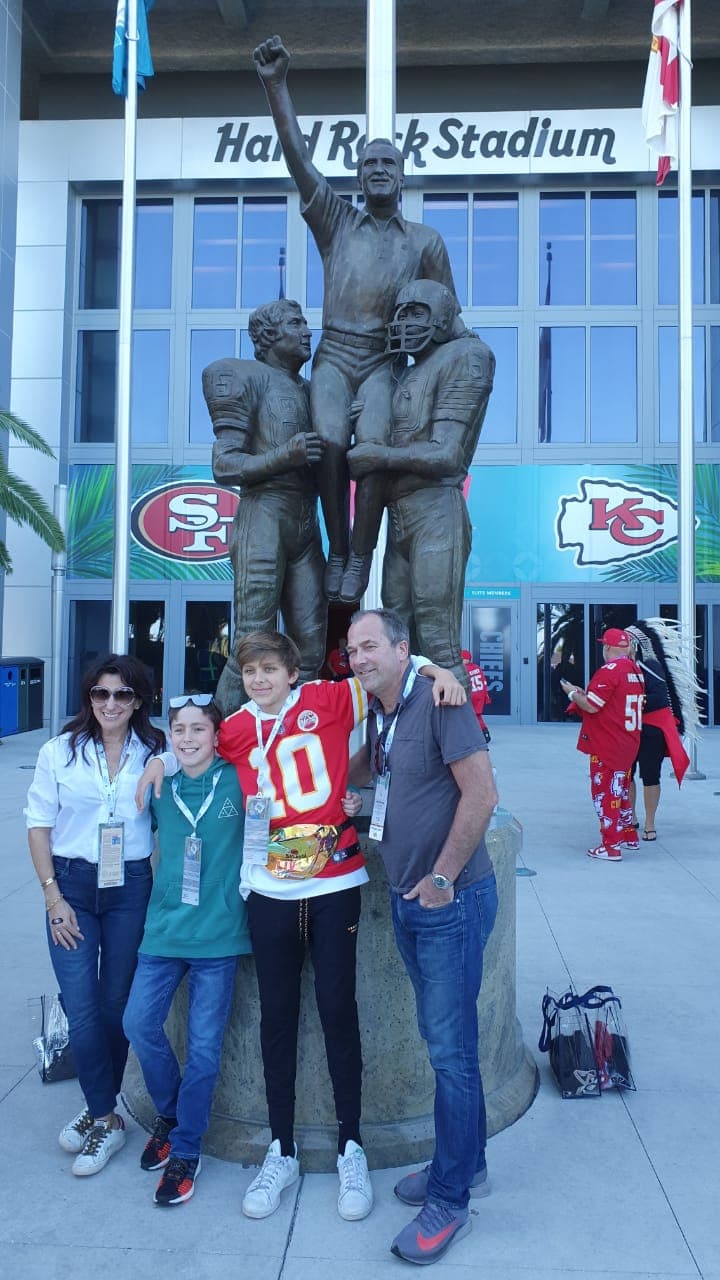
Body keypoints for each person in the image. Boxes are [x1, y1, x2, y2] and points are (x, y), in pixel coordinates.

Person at [136, 632, 462, 1224]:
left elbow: (387, 671)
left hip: (335, 882)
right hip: (270, 889)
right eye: (250, 671)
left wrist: (435, 669)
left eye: (270, 668)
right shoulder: (236, 726)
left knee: (339, 1013)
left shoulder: (327, 699)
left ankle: (350, 1145)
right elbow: (192, 744)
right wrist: (159, 760)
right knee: (277, 1019)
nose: (260, 679)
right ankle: (281, 1148)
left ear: (293, 672)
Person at [253, 36, 457, 603]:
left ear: (403, 176)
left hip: (385, 362)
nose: (379, 170)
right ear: (359, 176)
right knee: (326, 439)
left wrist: (461, 364)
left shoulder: (426, 241)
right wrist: (276, 85)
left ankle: (361, 553)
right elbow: (298, 159)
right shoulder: (336, 222)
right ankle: (339, 549)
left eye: (388, 163)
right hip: (336, 356)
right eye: (370, 164)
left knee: (370, 448)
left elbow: (447, 317)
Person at [345, 608, 498, 1267]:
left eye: (371, 646)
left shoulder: (441, 701)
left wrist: (441, 879)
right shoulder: (381, 711)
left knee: (450, 1055)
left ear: (403, 649)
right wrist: (350, 794)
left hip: (448, 902)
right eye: (352, 649)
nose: (359, 657)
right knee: (450, 1046)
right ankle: (470, 1161)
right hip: (412, 899)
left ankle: (449, 1200)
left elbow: (482, 795)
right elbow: (381, 775)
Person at [25, 654, 168, 1176]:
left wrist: (166, 763)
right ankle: (106, 1115)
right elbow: (38, 825)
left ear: (138, 700)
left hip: (130, 887)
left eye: (123, 694)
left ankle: (98, 1106)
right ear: (89, 697)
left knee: (115, 1007)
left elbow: (192, 769)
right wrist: (53, 897)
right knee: (82, 1008)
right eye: (101, 693)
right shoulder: (59, 752)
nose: (111, 703)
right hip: (73, 889)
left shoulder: (155, 750)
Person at [123, 693, 250, 1207]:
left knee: (203, 1050)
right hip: (164, 932)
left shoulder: (238, 779)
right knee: (138, 1024)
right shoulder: (159, 783)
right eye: (179, 730)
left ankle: (186, 1149)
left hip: (218, 935)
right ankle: (172, 1114)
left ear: (216, 735)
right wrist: (160, 760)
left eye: (199, 729)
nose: (188, 738)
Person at [347, 280, 494, 685]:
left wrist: (380, 455)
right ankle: (402, 721)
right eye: (401, 313)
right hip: (401, 513)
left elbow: (446, 453)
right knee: (396, 637)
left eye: (416, 312)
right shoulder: (408, 371)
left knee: (436, 635)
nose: (405, 322)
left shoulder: (467, 355)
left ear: (443, 315)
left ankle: (454, 726)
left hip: (435, 508)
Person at [205, 298, 326, 714]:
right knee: (252, 642)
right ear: (269, 335)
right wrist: (284, 456)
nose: (307, 331)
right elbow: (224, 464)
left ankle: (301, 734)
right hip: (264, 513)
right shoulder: (243, 376)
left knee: (310, 647)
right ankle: (221, 737)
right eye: (296, 323)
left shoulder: (311, 392)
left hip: (305, 519)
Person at [560, 628, 645, 862]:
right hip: (628, 742)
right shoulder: (635, 671)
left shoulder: (610, 671)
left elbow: (591, 706)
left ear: (607, 647)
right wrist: (583, 695)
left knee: (604, 794)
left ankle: (611, 846)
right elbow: (609, 702)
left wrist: (572, 694)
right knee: (621, 791)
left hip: (608, 744)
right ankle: (629, 836)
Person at [626, 620, 695, 841]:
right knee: (626, 774)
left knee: (650, 775)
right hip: (627, 729)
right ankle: (630, 817)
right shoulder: (616, 668)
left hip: (650, 731)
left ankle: (650, 822)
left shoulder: (651, 666)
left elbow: (659, 698)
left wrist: (632, 701)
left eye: (625, 642)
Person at [462, 650, 492, 742]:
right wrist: (486, 695)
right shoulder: (477, 668)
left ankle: (470, 734)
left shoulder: (463, 670)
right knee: (477, 715)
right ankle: (485, 733)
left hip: (471, 696)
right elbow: (484, 681)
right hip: (479, 694)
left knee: (465, 715)